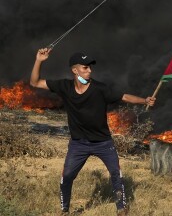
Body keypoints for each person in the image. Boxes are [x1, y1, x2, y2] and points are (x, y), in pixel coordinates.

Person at [30, 47, 156, 215]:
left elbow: (124, 97)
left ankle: (121, 210)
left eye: (90, 67)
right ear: (75, 71)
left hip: (103, 143)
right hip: (78, 144)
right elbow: (35, 82)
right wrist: (39, 60)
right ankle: (64, 210)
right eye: (85, 67)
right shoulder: (64, 87)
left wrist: (144, 100)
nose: (90, 70)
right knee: (66, 177)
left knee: (116, 174)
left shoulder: (100, 88)